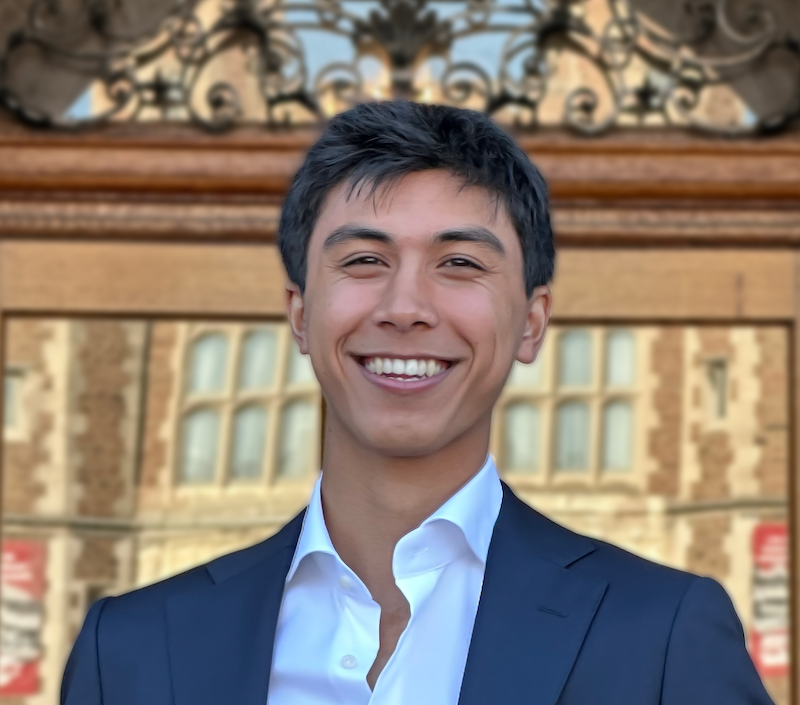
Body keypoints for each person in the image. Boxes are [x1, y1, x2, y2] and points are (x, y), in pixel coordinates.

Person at [61, 101, 775, 705]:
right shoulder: (128, 650)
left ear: (531, 321)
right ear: (299, 314)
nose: (405, 307)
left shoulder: (660, 632)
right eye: (364, 260)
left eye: (460, 263)